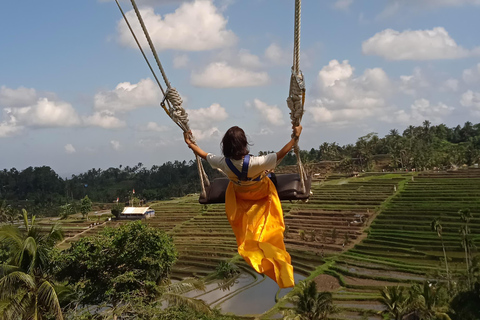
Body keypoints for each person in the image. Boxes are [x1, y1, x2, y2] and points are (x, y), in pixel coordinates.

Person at [184, 125, 302, 288]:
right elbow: (281, 154)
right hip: (261, 194)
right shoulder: (257, 162)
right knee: (270, 175)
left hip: (241, 196)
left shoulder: (223, 163)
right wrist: (295, 138)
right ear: (245, 143)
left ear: (225, 147)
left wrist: (189, 143)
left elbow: (204, 155)